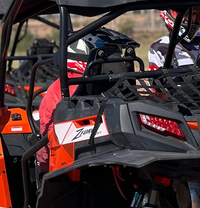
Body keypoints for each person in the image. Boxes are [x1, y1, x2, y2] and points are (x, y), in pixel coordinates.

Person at [37, 28, 136, 172]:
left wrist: (44, 166)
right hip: (120, 154)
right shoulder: (120, 84)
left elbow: (48, 138)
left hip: (73, 163)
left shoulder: (59, 88)